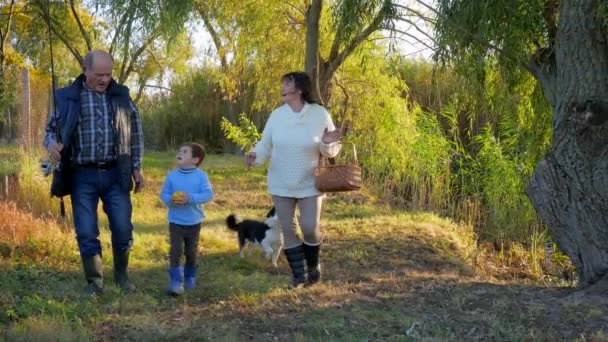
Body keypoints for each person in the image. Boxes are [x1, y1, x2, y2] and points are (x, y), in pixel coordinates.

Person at [43, 50, 144, 295]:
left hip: (115, 174)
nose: (104, 79)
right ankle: (94, 283)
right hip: (82, 176)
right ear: (85, 70)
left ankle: (121, 276)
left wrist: (137, 168)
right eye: (99, 74)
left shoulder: (121, 96)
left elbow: (136, 132)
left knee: (122, 228)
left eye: (108, 74)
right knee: (86, 230)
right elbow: (50, 131)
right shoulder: (67, 97)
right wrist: (52, 145)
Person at [246, 72, 341, 288]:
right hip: (280, 181)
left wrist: (327, 143)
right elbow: (265, 144)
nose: (282, 87)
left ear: (299, 89)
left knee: (309, 227)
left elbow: (332, 148)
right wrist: (255, 155)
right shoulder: (277, 115)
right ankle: (298, 277)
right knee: (288, 230)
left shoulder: (319, 114)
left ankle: (313, 266)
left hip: (310, 181)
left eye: (287, 83)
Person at [160, 143, 214, 295]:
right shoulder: (172, 176)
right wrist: (170, 200)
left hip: (194, 222)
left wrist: (190, 198)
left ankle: (190, 276)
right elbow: (164, 194)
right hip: (176, 222)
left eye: (185, 151)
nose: (180, 152)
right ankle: (176, 282)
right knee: (175, 251)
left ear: (195, 160)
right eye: (179, 150)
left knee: (191, 252)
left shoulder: (201, 176)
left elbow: (208, 195)